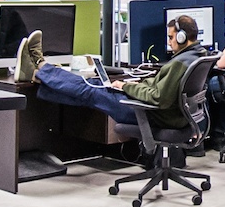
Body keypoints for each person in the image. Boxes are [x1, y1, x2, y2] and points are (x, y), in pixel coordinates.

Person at [27, 16, 204, 127]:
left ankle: (41, 68)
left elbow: (158, 97)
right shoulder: (198, 57)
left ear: (182, 38)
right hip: (171, 115)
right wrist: (135, 85)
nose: (169, 42)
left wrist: (127, 87)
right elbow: (162, 91)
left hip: (149, 113)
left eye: (171, 37)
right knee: (92, 88)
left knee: (90, 90)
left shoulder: (180, 62)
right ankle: (40, 75)